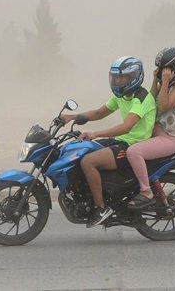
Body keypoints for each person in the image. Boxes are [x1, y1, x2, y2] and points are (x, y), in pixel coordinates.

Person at [60, 56, 157, 227]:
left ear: (134, 77)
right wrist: (71, 117)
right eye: (115, 77)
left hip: (133, 144)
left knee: (88, 162)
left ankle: (101, 208)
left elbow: (126, 127)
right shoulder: (122, 95)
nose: (118, 81)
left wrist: (95, 134)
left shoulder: (141, 98)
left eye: (122, 78)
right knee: (82, 148)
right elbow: (99, 113)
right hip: (122, 140)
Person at [126, 47, 175, 210]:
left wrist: (165, 82)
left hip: (171, 138)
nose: (162, 72)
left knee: (133, 152)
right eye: (160, 69)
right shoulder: (169, 83)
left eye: (166, 69)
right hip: (158, 133)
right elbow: (151, 101)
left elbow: (163, 105)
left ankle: (146, 192)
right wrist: (156, 80)